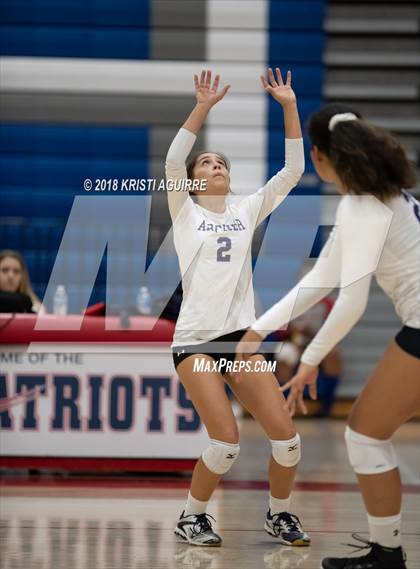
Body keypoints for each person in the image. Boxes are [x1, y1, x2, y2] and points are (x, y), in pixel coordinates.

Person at [235, 103, 419, 568]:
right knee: (368, 434)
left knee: (364, 434)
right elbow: (321, 281)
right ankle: (386, 551)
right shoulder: (383, 197)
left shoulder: (361, 206)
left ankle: (387, 555)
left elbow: (352, 304)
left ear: (318, 156)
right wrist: (257, 329)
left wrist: (310, 361)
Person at [166, 68, 310, 547]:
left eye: (221, 161)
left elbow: (292, 173)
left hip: (241, 339)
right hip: (195, 341)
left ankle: (280, 514)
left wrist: (289, 106)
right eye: (206, 163)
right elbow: (172, 159)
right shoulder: (184, 211)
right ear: (192, 181)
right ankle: (192, 516)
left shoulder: (245, 211)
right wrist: (203, 107)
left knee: (287, 440)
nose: (216, 165)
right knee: (226, 443)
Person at [0, 249, 44, 314]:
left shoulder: (36, 307)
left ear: (22, 277)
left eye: (16, 271)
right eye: (5, 270)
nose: (11, 276)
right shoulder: (26, 301)